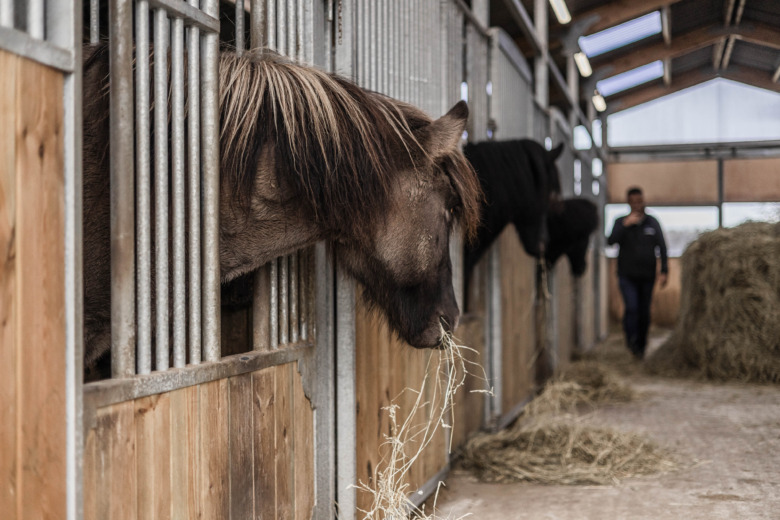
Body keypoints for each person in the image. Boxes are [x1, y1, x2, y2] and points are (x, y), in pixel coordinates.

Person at [607, 187, 668, 359]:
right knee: (631, 308)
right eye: (633, 202)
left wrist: (664, 271)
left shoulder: (652, 223)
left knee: (644, 311)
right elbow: (610, 241)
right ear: (628, 203)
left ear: (643, 201)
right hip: (627, 275)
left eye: (639, 201)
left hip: (647, 276)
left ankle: (641, 346)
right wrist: (626, 226)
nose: (636, 205)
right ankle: (631, 341)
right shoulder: (621, 222)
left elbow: (662, 247)